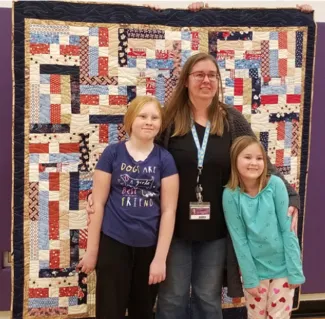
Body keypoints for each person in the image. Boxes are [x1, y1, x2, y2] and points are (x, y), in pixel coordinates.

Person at [153, 52, 300, 319]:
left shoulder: (230, 119)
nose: (206, 80)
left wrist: (291, 196)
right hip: (173, 228)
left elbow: (260, 160)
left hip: (216, 229)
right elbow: (145, 161)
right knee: (172, 298)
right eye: (199, 74)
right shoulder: (170, 119)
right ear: (186, 80)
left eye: (212, 75)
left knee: (207, 297)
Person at [78, 96, 179, 319]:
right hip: (114, 244)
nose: (148, 122)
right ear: (130, 120)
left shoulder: (165, 160)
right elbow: (98, 204)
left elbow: (169, 211)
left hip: (148, 248)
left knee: (142, 311)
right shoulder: (112, 154)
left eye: (154, 117)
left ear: (160, 124)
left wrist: (160, 259)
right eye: (142, 116)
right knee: (109, 311)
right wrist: (92, 252)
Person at [222, 136, 305, 319]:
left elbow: (287, 230)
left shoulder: (275, 185)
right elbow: (239, 240)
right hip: (255, 272)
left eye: (259, 158)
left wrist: (295, 270)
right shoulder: (230, 195)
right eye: (247, 157)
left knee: (279, 316)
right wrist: (250, 279)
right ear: (235, 160)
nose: (254, 163)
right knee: (256, 316)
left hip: (283, 269)